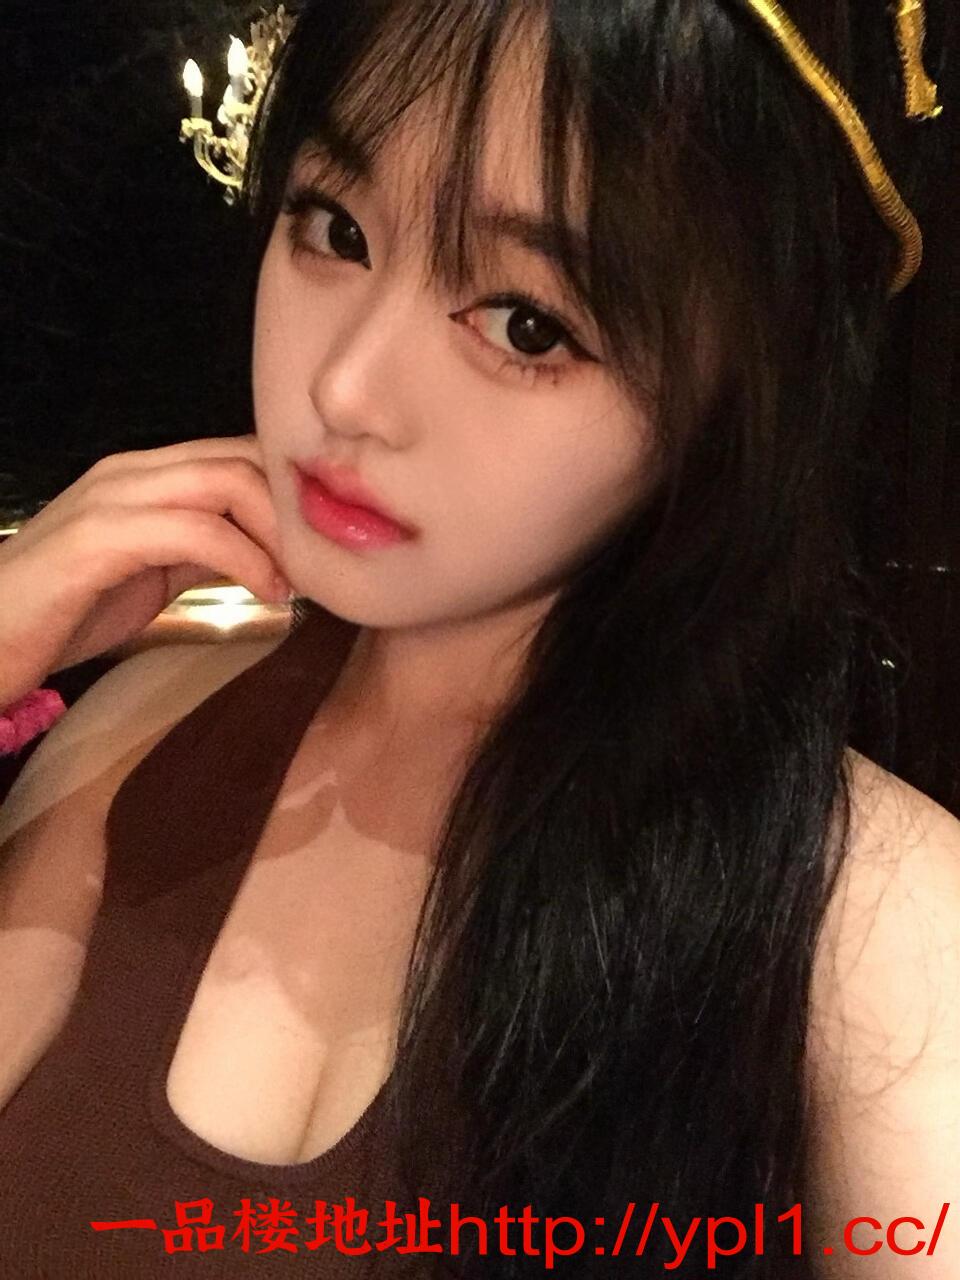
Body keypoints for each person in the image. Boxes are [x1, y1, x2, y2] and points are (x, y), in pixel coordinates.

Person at [0, 0, 957, 1276]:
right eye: (335, 227)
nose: (345, 388)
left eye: (525, 324)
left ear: (740, 398)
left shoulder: (878, 928)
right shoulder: (147, 715)